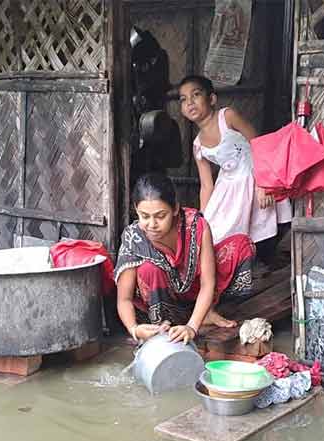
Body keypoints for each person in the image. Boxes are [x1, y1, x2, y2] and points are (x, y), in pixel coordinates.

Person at [115, 173, 256, 344]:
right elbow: (124, 299)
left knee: (241, 245)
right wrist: (134, 329)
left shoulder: (196, 226)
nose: (152, 224)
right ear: (136, 210)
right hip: (161, 299)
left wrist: (192, 327)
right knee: (148, 269)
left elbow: (208, 283)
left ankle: (206, 312)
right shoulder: (134, 237)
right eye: (144, 216)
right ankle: (162, 323)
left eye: (160, 216)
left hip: (196, 292)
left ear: (175, 209)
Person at [178, 74, 291, 262]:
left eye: (196, 95)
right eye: (183, 99)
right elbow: (206, 185)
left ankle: (266, 261)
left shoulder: (227, 116)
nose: (190, 102)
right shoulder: (198, 145)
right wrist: (203, 218)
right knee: (214, 230)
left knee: (263, 225)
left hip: (256, 173)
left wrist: (264, 185)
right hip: (229, 185)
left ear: (211, 99)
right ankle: (236, 268)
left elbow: (258, 143)